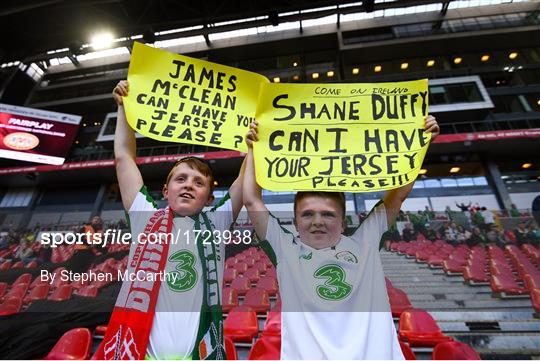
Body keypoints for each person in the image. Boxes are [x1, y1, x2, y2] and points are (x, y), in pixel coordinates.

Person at [243, 116, 439, 359]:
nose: (317, 221)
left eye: (328, 214)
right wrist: (253, 149)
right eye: (307, 214)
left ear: (343, 222)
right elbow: (252, 199)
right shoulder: (286, 249)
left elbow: (397, 195)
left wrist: (420, 142)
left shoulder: (365, 241)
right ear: (294, 223)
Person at [96, 80, 245, 360]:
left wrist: (255, 145)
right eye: (181, 179)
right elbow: (123, 158)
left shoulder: (218, 222)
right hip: (137, 353)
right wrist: (124, 110)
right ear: (166, 190)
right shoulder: (145, 215)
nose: (189, 185)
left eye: (199, 182)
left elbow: (241, 184)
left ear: (210, 198)